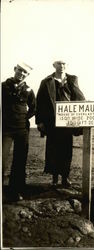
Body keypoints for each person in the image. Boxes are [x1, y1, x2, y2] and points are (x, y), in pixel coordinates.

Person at [36, 59, 85, 187]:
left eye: (64, 63)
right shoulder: (46, 81)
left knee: (66, 150)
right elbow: (39, 102)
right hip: (52, 122)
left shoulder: (72, 80)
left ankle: (65, 177)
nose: (61, 66)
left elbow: (79, 98)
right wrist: (40, 121)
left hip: (68, 122)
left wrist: (80, 117)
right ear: (54, 65)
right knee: (53, 149)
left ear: (67, 65)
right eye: (59, 63)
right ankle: (54, 178)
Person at [2, 62, 36, 201]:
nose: (21, 74)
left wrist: (23, 118)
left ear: (27, 75)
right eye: (20, 70)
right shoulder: (3, 87)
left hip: (22, 129)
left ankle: (15, 191)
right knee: (1, 160)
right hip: (5, 129)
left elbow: (33, 108)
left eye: (25, 72)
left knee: (20, 161)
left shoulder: (29, 90)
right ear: (15, 69)